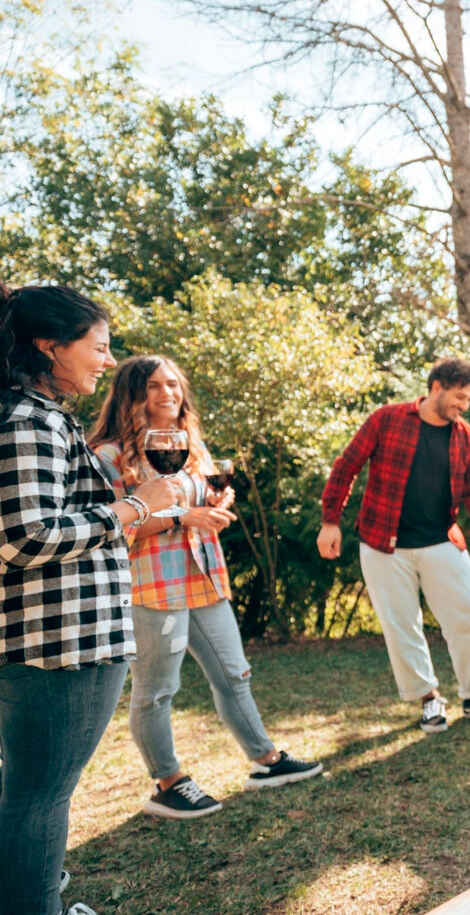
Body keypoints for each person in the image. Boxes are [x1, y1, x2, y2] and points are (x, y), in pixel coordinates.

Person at [0, 284, 180, 915]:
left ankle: (37, 894)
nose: (107, 362)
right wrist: (134, 507)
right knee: (39, 797)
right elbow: (24, 538)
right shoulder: (30, 421)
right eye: (97, 348)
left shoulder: (35, 415)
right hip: (61, 643)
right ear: (51, 347)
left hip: (59, 635)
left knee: (30, 792)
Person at [88, 355, 322, 820]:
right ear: (131, 395)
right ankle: (168, 782)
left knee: (234, 674)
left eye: (173, 384)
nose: (167, 393)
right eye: (154, 386)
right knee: (156, 690)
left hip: (203, 576)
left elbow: (203, 499)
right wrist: (185, 515)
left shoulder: (191, 445)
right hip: (150, 586)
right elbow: (115, 528)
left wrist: (215, 501)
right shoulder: (109, 456)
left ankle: (265, 761)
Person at [317, 356, 470, 733]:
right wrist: (331, 521)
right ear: (437, 387)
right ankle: (428, 700)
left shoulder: (466, 437)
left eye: (469, 400)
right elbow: (347, 466)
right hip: (382, 544)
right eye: (460, 397)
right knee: (401, 625)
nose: (464, 406)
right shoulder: (387, 419)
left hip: (441, 540)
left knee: (469, 609)